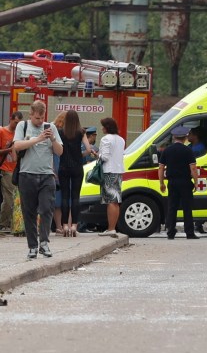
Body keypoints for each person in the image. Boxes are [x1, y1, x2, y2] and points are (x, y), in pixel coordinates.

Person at [12, 100, 63, 259]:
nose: (40, 121)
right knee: (29, 212)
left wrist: (53, 139)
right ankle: (33, 246)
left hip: (47, 176)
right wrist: (39, 139)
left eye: (42, 118)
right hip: (27, 175)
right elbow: (18, 146)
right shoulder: (23, 126)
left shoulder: (51, 127)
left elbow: (60, 152)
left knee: (47, 208)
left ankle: (44, 243)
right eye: (37, 118)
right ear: (31, 115)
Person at [57, 110, 96, 238]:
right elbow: (89, 149)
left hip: (63, 167)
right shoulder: (81, 132)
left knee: (64, 197)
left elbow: (57, 150)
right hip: (77, 167)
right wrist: (80, 155)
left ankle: (64, 226)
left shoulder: (61, 132)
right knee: (75, 197)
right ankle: (74, 225)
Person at [159, 125, 200, 240]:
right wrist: (196, 182)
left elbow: (161, 168)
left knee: (172, 207)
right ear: (185, 137)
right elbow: (193, 168)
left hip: (172, 182)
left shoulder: (167, 150)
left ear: (174, 137)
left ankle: (171, 232)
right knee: (187, 207)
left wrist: (161, 183)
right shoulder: (188, 150)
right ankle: (189, 233)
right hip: (185, 182)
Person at [97, 117, 125, 238]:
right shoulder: (121, 140)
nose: (102, 128)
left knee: (110, 201)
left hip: (109, 171)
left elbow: (105, 157)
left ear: (107, 127)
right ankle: (112, 227)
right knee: (116, 201)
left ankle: (111, 228)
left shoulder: (105, 139)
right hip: (118, 171)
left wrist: (97, 154)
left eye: (103, 126)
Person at [0, 111, 24, 234]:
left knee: (16, 199)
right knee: (9, 198)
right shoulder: (2, 132)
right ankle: (3, 223)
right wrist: (10, 149)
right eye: (15, 123)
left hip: (16, 169)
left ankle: (10, 223)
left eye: (19, 123)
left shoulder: (19, 134)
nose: (17, 125)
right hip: (5, 168)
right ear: (11, 119)